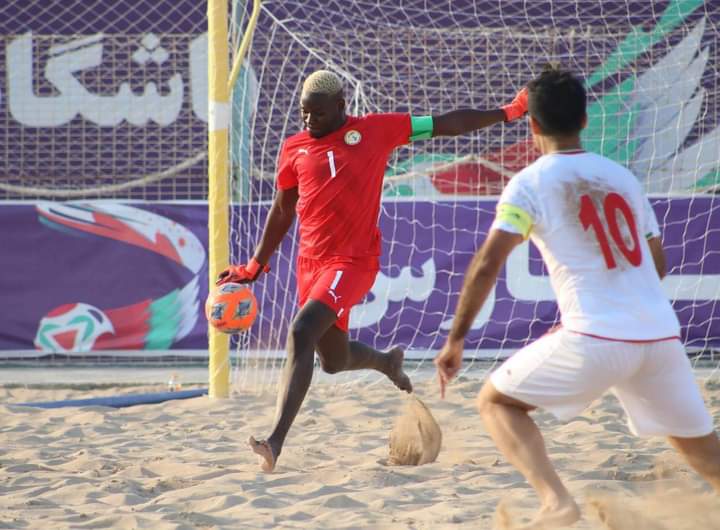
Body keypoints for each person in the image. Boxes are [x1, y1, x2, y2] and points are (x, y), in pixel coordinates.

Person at [434, 67, 720, 529]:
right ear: (586, 119)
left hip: (596, 338)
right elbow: (658, 264)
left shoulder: (528, 182)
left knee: (495, 402)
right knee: (706, 456)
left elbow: (487, 264)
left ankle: (556, 502)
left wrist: (456, 340)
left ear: (532, 126)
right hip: (661, 338)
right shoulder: (622, 177)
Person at [217, 69, 529, 472]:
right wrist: (254, 266)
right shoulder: (294, 147)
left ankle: (275, 441)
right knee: (331, 359)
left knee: (300, 331)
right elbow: (282, 209)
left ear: (341, 107)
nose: (308, 122)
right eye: (303, 114)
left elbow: (446, 124)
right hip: (309, 264)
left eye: (317, 114)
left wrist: (509, 111)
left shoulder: (377, 131)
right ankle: (387, 363)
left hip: (353, 262)